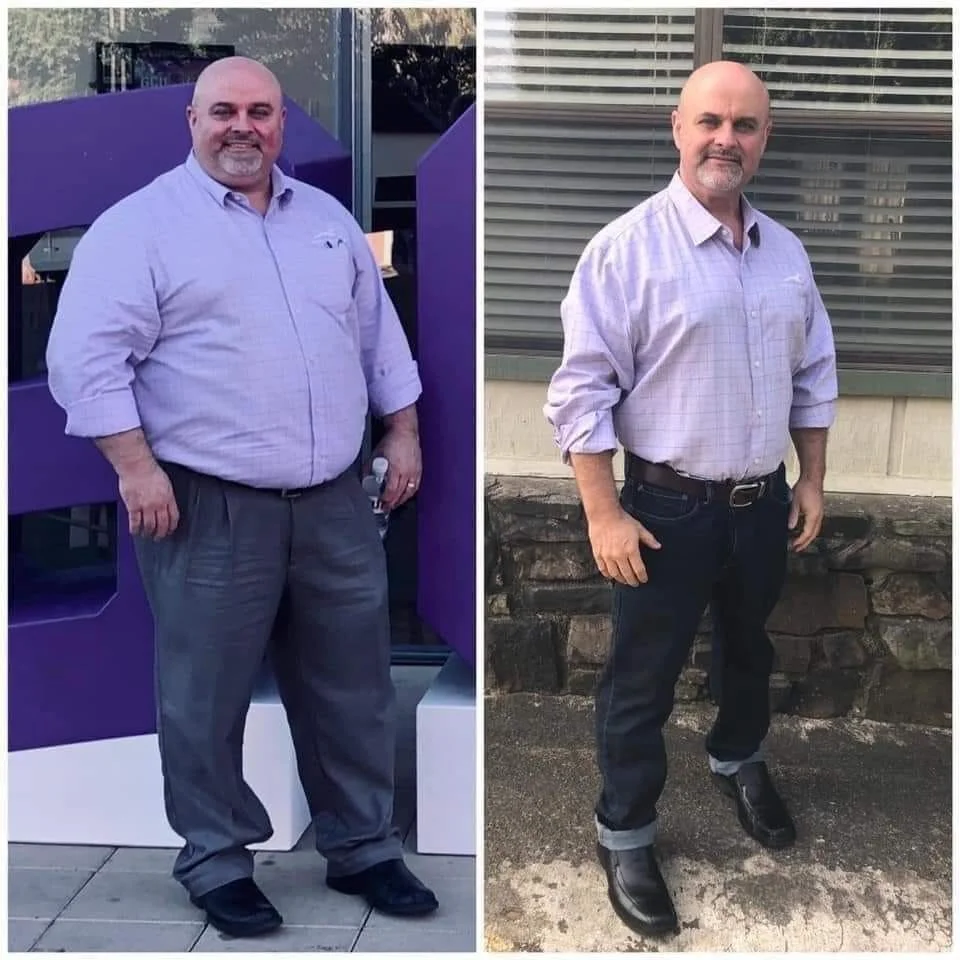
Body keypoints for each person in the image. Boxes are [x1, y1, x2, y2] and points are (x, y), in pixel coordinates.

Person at [46, 56, 439, 938]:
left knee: (351, 686)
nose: (242, 127)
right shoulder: (141, 227)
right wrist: (135, 467)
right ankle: (217, 861)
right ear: (191, 120)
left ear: (281, 124)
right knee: (205, 695)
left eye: (260, 112)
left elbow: (380, 342)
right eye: (223, 111)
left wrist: (402, 431)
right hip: (206, 503)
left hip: (337, 500)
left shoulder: (327, 222)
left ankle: (365, 847)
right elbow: (84, 360)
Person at [544, 60, 838, 937]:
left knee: (749, 653)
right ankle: (626, 832)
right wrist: (603, 513)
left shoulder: (786, 252)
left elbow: (814, 374)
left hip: (761, 506)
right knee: (641, 682)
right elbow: (579, 393)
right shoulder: (626, 250)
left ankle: (738, 759)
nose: (726, 140)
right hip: (663, 513)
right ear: (678, 128)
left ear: (765, 139)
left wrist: (812, 478)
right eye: (710, 121)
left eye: (745, 126)